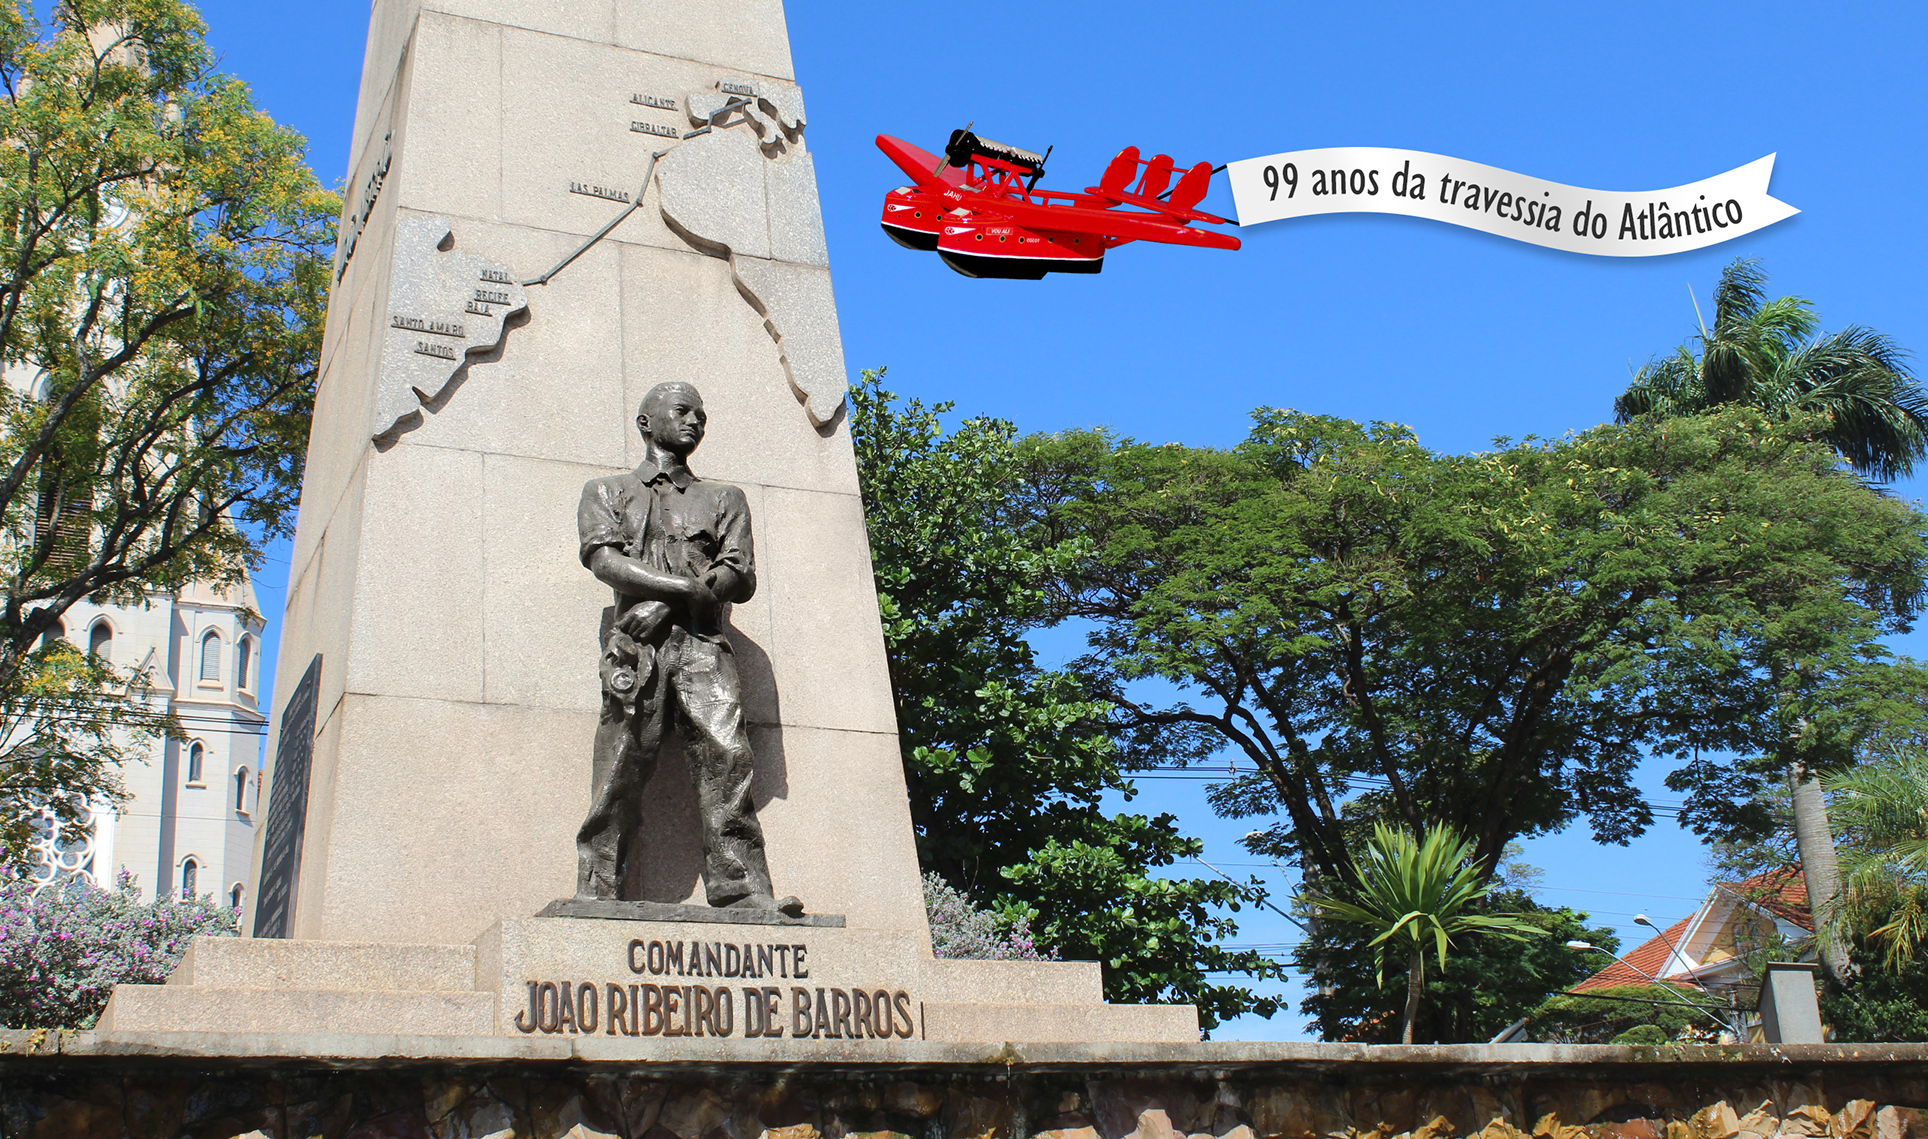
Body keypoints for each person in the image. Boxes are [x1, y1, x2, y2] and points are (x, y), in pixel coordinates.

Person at [573, 380, 800, 916]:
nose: (695, 420)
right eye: (682, 411)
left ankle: (743, 888)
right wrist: (679, 591)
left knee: (727, 755)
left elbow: (739, 574)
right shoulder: (606, 491)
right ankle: (598, 887)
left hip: (703, 647)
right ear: (646, 422)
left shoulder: (724, 499)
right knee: (622, 762)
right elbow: (603, 560)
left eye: (702, 413)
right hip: (636, 648)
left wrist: (668, 605)